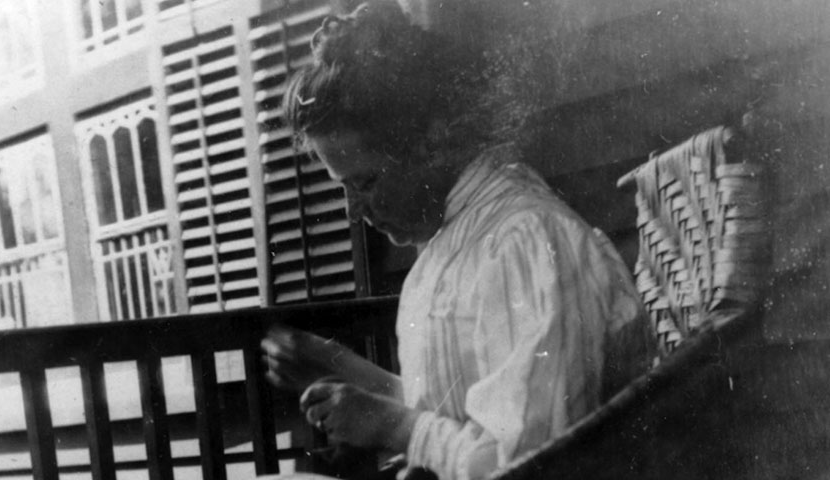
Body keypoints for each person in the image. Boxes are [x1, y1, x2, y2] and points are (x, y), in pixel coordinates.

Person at [261, 2, 654, 479]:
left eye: (365, 183)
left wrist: (395, 427)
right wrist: (341, 366)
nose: (354, 210)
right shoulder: (453, 246)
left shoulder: (526, 243)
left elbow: (533, 464)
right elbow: (461, 411)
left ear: (430, 141)